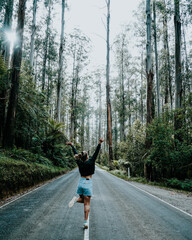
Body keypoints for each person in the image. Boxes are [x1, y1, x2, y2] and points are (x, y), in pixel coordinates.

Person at [66, 138, 104, 229]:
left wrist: (72, 145)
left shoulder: (79, 162)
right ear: (87, 156)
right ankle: (86, 222)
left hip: (81, 182)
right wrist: (99, 143)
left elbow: (75, 154)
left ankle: (76, 199)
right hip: (88, 183)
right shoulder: (91, 161)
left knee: (83, 200)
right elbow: (96, 152)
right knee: (87, 204)